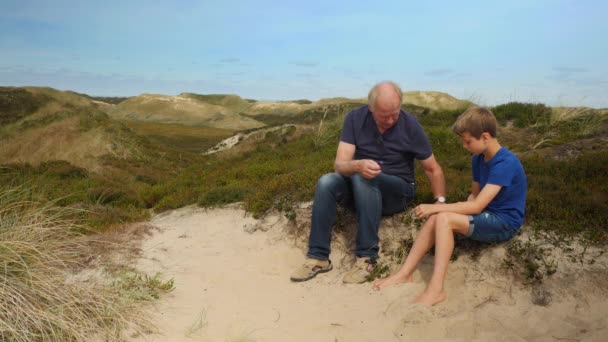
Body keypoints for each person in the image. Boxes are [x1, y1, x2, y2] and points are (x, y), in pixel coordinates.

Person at [290, 81, 446, 284]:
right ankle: (318, 257)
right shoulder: (355, 118)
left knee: (364, 177)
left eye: (395, 114)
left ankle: (367, 258)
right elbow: (340, 164)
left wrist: (440, 202)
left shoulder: (410, 125)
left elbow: (433, 168)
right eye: (384, 115)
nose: (390, 120)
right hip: (362, 189)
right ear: (371, 108)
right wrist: (358, 165)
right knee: (326, 181)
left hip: (399, 192)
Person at [372, 106, 527, 305]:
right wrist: (455, 211)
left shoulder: (505, 163)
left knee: (442, 216)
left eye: (468, 141)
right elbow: (474, 197)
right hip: (487, 214)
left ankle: (436, 290)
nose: (464, 146)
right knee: (439, 217)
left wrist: (438, 207)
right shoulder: (478, 159)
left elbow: (478, 206)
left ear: (485, 137)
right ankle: (404, 273)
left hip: (505, 223)